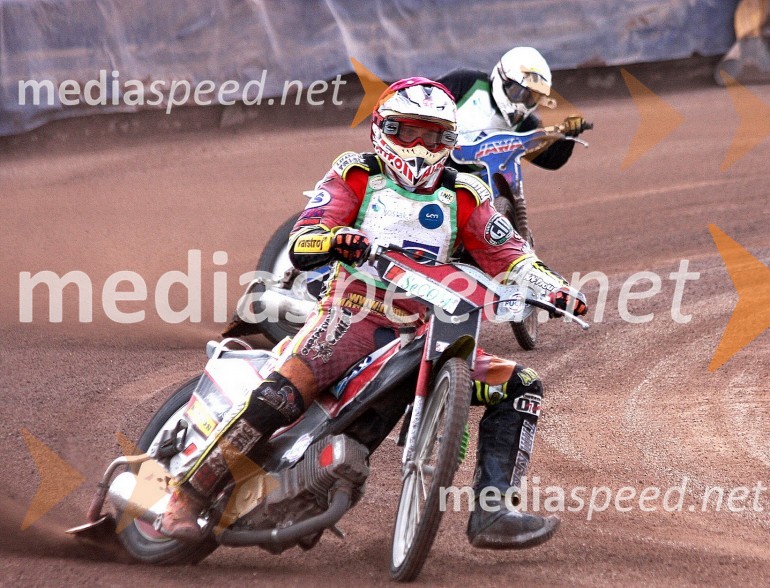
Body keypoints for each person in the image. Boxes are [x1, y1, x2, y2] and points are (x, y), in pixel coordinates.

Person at [160, 77, 588, 550]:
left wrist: (553, 286)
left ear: (450, 139)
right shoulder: (356, 173)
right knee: (282, 393)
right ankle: (186, 495)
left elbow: (506, 250)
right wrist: (333, 240)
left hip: (428, 330)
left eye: (434, 134)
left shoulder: (466, 191)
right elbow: (304, 239)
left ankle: (493, 512)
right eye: (408, 131)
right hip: (351, 316)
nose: (421, 146)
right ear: (384, 129)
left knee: (520, 387)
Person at [437, 46, 589, 172]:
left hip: (474, 186)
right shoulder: (466, 82)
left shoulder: (524, 125)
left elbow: (550, 160)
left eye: (531, 98)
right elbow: (425, 97)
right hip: (428, 164)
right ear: (502, 78)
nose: (523, 103)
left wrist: (569, 135)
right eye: (518, 93)